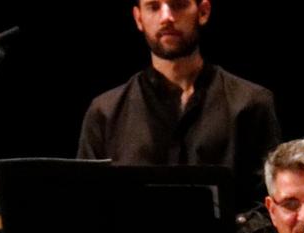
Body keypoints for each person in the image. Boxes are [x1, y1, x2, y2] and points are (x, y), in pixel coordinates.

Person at [76, 0, 281, 209]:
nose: (167, 17)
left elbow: (270, 202)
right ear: (138, 18)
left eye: (178, 5)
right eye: (154, 7)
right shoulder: (105, 112)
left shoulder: (251, 103)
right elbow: (87, 204)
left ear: (203, 12)